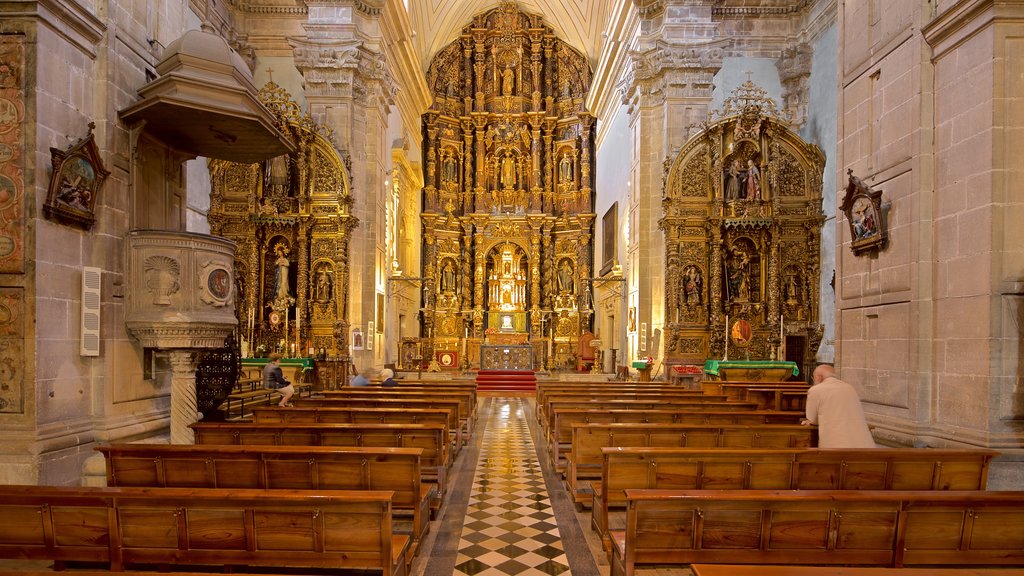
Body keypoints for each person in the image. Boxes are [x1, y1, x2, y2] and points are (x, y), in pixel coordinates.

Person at [803, 365, 876, 448]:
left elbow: (813, 418)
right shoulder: (850, 387)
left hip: (836, 445)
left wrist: (810, 421)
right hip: (864, 445)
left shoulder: (815, 390)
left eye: (813, 378)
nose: (813, 380)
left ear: (819, 377)